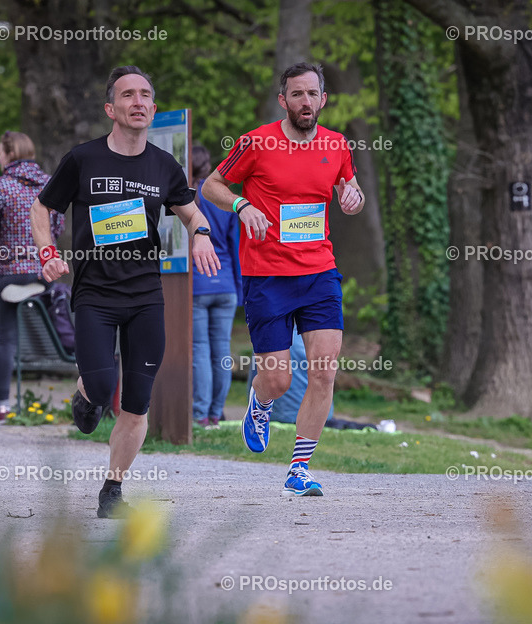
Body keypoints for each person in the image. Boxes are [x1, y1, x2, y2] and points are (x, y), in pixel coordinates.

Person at [31, 65, 219, 518]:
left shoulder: (164, 165)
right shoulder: (84, 159)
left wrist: (201, 235)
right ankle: (86, 392)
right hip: (95, 293)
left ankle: (112, 491)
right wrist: (47, 253)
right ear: (110, 109)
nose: (138, 101)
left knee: (136, 402)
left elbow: (192, 213)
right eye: (128, 95)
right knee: (101, 387)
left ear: (153, 109)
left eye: (145, 95)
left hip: (145, 296)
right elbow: (42, 207)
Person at [203, 62, 366, 497]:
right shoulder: (257, 142)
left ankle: (299, 469)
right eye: (297, 94)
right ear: (283, 100)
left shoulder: (337, 144)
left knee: (324, 372)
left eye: (312, 93)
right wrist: (241, 206)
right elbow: (211, 186)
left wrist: (353, 198)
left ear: (323, 99)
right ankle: (260, 401)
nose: (305, 101)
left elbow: (350, 190)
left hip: (319, 272)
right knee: (279, 380)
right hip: (267, 275)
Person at [0, 130, 65, 422]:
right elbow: (59, 227)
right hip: (44, 269)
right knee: (63, 320)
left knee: (6, 339)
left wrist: (3, 238)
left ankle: (1, 406)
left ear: (11, 154)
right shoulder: (51, 183)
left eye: (0, 153)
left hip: (11, 272)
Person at [190, 144, 241, 427]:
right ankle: (215, 412)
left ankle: (199, 414)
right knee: (222, 350)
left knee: (199, 349)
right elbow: (236, 247)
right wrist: (239, 288)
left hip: (198, 284)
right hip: (226, 284)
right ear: (208, 166)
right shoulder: (224, 199)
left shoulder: (187, 197)